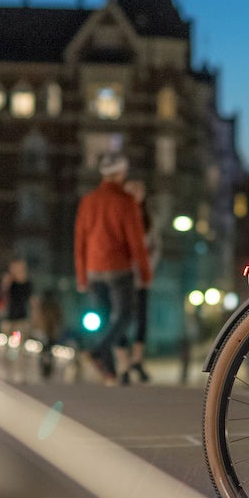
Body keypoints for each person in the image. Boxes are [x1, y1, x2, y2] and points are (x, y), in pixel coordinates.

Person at [73, 152, 152, 385]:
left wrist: (81, 275)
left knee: (105, 319)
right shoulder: (125, 202)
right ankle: (99, 351)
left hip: (93, 268)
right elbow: (136, 241)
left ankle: (109, 372)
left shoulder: (88, 200)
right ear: (121, 173)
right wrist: (145, 273)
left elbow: (80, 240)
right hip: (118, 268)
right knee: (124, 316)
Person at [119, 178, 159, 383]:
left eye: (139, 188)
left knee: (141, 320)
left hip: (142, 277)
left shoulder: (148, 218)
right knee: (121, 319)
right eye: (132, 188)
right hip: (122, 276)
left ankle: (137, 361)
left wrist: (147, 269)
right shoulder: (120, 214)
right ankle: (124, 365)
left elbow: (155, 247)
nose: (136, 192)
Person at [1, 257, 37, 370]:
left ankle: (18, 368)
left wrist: (33, 316)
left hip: (21, 319)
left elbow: (32, 301)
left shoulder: (27, 283)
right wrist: (6, 283)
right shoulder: (8, 281)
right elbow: (1, 295)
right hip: (8, 318)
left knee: (19, 344)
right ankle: (7, 367)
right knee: (6, 344)